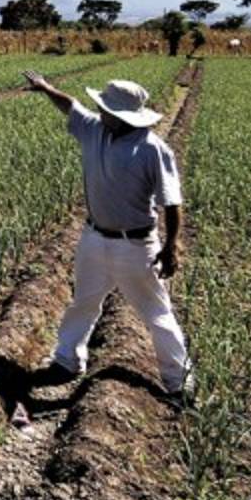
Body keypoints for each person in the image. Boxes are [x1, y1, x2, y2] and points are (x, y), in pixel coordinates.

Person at [22, 71, 193, 396]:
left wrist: (171, 246)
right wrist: (46, 89)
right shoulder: (95, 130)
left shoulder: (152, 149)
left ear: (122, 116)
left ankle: (179, 383)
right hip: (94, 239)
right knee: (83, 302)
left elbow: (172, 203)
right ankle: (67, 360)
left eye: (105, 109)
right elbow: (70, 106)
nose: (99, 112)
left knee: (156, 314)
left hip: (137, 246)